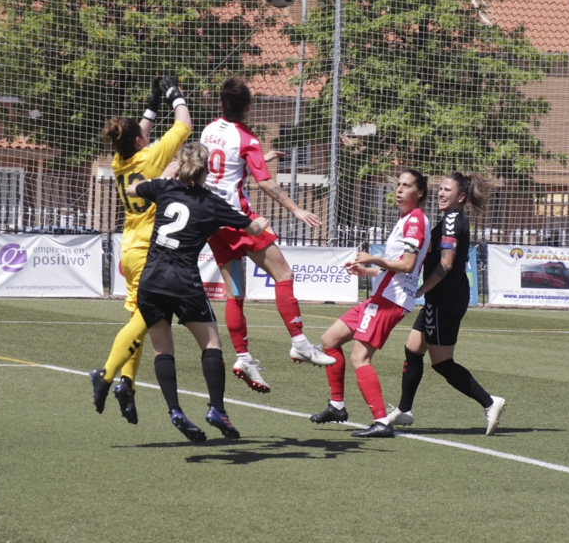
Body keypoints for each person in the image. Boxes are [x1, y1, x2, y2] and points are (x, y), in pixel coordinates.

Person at [125, 143, 270, 442]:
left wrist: (166, 175)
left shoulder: (164, 188)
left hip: (151, 281)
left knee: (162, 350)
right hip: (183, 282)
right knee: (211, 343)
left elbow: (132, 190)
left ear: (180, 165)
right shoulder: (211, 202)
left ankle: (175, 411)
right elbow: (253, 229)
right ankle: (217, 409)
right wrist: (262, 222)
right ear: (206, 171)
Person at [199, 77, 334, 394]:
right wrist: (296, 208)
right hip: (238, 221)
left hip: (212, 223)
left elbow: (223, 165)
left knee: (234, 293)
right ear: (248, 107)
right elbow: (265, 183)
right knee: (284, 273)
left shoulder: (208, 130)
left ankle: (243, 357)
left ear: (221, 105)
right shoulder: (248, 139)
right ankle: (300, 342)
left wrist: (259, 156)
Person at [90, 76, 190, 425]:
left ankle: (127, 384)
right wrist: (175, 95)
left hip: (129, 248)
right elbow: (185, 124)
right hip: (150, 251)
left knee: (143, 317)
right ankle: (106, 375)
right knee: (146, 319)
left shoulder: (120, 160)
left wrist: (152, 104)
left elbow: (136, 134)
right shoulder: (151, 157)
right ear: (138, 140)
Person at [309, 170, 431, 438]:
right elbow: (400, 270)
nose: (399, 189)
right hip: (382, 297)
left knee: (359, 357)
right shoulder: (406, 219)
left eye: (406, 186)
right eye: (398, 184)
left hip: (390, 302)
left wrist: (373, 259)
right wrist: (367, 272)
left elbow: (409, 265)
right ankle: (337, 406)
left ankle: (382, 422)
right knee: (330, 339)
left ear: (419, 193)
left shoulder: (415, 221)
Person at [384, 172, 507, 435]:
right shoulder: (451, 218)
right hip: (442, 297)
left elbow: (446, 263)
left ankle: (489, 402)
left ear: (460, 197)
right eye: (440, 189)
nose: (440, 193)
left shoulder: (452, 221)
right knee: (413, 349)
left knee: (442, 363)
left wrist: (420, 291)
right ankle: (404, 411)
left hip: (445, 298)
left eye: (447, 190)